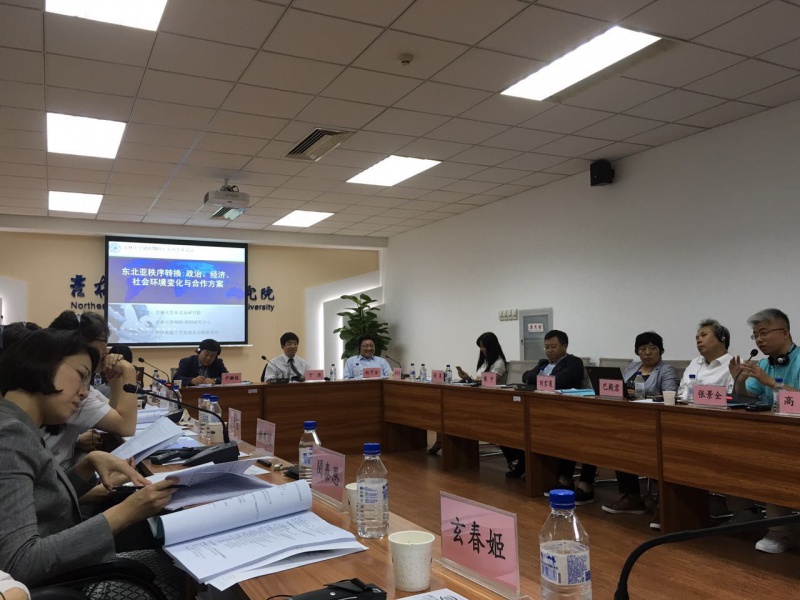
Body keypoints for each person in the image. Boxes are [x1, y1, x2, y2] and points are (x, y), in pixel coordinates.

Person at [0, 329, 178, 585]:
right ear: (41, 363)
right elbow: (18, 564)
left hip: (61, 565)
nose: (84, 392)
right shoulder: (10, 435)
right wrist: (126, 512)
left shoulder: (17, 422)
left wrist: (86, 466)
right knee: (174, 570)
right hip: (61, 584)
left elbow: (38, 502)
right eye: (81, 376)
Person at [729, 308, 799, 553]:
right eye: (755, 335)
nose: (759, 340)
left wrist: (770, 382)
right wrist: (738, 380)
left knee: (773, 460)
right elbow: (748, 394)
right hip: (773, 434)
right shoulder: (763, 364)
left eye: (764, 333)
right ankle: (755, 519)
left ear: (785, 333)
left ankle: (781, 531)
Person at [46, 311, 139, 469]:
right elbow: (126, 427)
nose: (106, 350)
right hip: (57, 477)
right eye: (103, 341)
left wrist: (114, 376)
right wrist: (128, 370)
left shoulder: (72, 381)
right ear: (82, 341)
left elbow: (112, 412)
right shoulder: (71, 391)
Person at [601, 331, 678, 516]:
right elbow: (620, 388)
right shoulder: (632, 367)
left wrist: (641, 396)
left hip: (653, 422)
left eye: (652, 348)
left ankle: (666, 501)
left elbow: (670, 395)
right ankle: (632, 497)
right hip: (628, 419)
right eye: (642, 349)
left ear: (660, 351)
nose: (647, 353)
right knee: (618, 442)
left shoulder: (666, 370)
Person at [505, 330, 585, 479]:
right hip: (536, 407)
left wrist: (538, 379)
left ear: (565, 346)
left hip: (562, 410)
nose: (549, 351)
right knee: (508, 424)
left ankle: (554, 474)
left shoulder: (573, 362)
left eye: (553, 347)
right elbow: (525, 376)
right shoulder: (543, 363)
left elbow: (560, 381)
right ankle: (522, 463)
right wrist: (542, 379)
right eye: (546, 347)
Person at [430, 333, 508, 456]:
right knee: (446, 408)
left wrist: (473, 380)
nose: (481, 350)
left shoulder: (499, 363)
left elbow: (490, 382)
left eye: (483, 346)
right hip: (478, 397)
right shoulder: (485, 362)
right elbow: (480, 381)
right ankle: (441, 441)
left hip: (490, 401)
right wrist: (468, 378)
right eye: (480, 347)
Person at [677, 319, 733, 400]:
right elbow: (681, 391)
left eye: (704, 335)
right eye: (697, 338)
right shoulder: (694, 363)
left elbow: (732, 398)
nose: (698, 340)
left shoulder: (735, 364)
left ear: (722, 338)